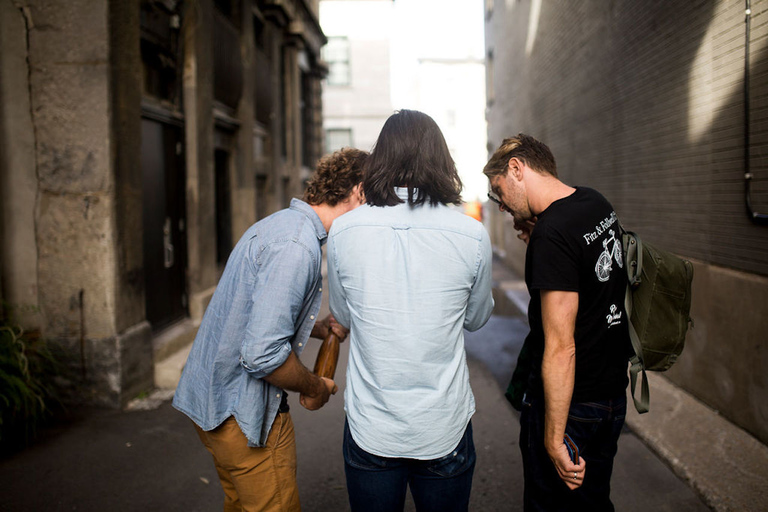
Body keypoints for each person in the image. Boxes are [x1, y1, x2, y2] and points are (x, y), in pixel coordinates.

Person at [172, 147, 368, 512]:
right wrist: (316, 386)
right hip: (242, 418)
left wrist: (319, 328)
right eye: (374, 201)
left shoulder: (279, 226)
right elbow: (262, 356)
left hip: (214, 407)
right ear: (358, 191)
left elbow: (255, 310)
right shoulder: (297, 246)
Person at [327, 110, 495, 512]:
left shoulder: (344, 231)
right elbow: (474, 319)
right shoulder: (471, 234)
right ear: (440, 160)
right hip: (443, 424)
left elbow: (343, 316)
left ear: (380, 159)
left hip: (373, 425)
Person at [484, 133, 631, 511]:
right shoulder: (593, 202)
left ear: (517, 169)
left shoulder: (552, 233)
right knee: (594, 501)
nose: (500, 206)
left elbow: (562, 347)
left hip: (573, 406)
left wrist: (553, 438)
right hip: (611, 395)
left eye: (498, 190)